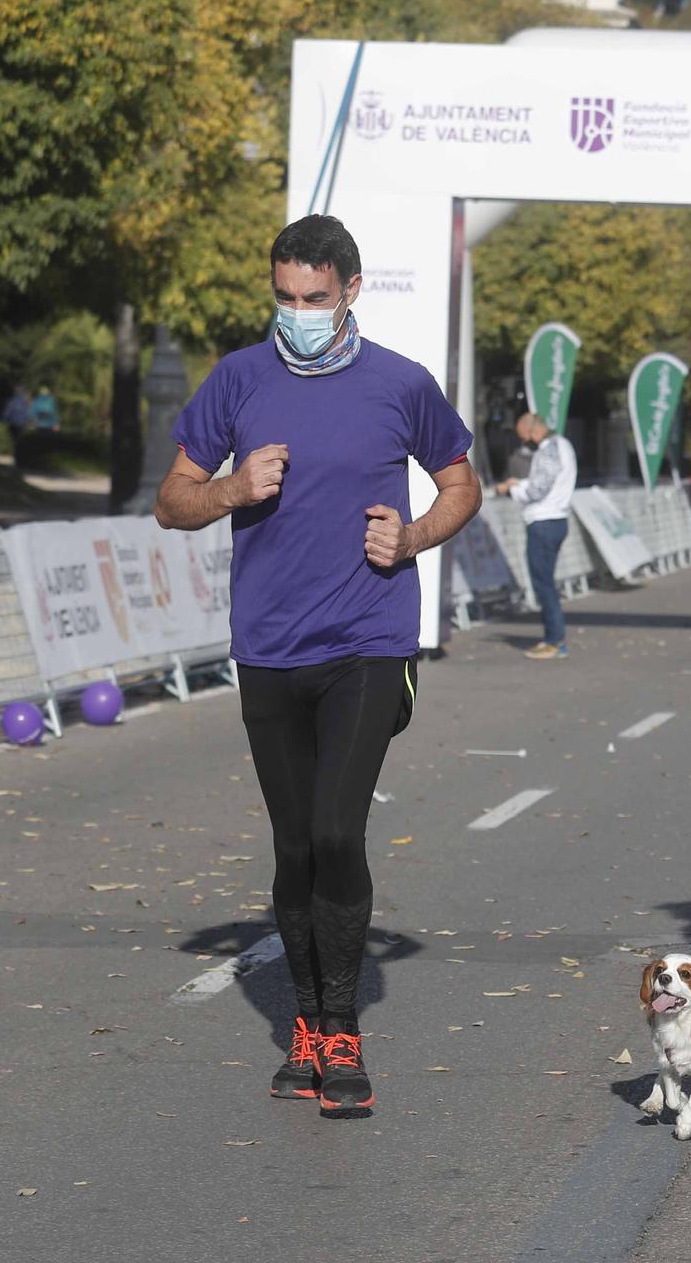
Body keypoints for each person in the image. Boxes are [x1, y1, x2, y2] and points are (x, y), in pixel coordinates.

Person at [155, 214, 479, 1116]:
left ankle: (343, 1029)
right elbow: (171, 500)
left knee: (339, 832)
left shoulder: (400, 385)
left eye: (314, 298)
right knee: (294, 845)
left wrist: (409, 536)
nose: (297, 312)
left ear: (350, 291)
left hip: (370, 639)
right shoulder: (239, 379)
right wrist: (231, 487)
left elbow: (463, 487)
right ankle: (305, 1024)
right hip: (269, 645)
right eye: (284, 298)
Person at [496, 411, 577, 659]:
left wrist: (512, 488)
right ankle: (553, 638)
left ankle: (555, 641)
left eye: (524, 437)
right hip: (556, 519)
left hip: (544, 521)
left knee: (543, 585)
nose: (524, 443)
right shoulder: (564, 445)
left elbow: (539, 489)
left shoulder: (549, 449)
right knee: (546, 583)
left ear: (534, 432)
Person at [1, 385, 31, 459]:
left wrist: (4, 419)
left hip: (13, 422)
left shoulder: (11, 400)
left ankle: (15, 452)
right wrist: (28, 420)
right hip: (21, 423)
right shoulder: (25, 401)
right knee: (19, 438)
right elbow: (28, 412)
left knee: (14, 438)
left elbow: (7, 411)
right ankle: (18, 453)